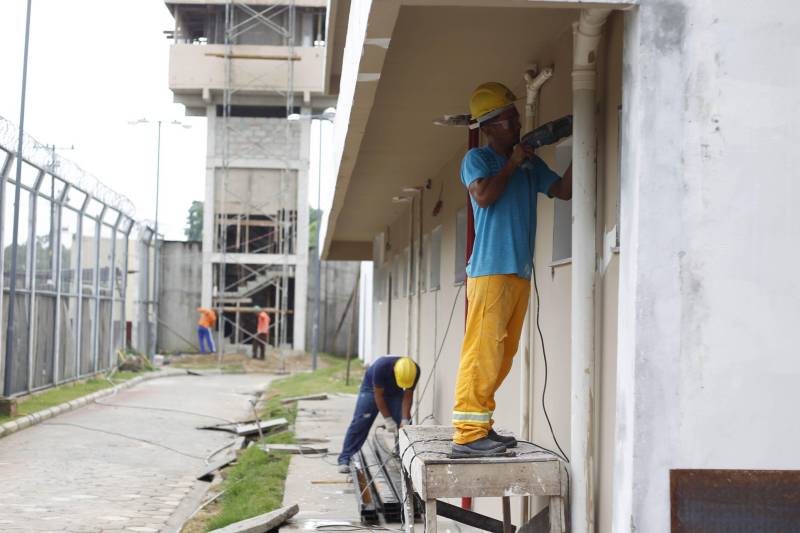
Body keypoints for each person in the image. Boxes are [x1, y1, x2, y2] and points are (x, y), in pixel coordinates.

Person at [451, 82, 572, 457]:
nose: (517, 124)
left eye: (516, 117)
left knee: (503, 355)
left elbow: (563, 190)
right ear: (489, 127)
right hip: (490, 270)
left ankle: (482, 423)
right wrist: (514, 163)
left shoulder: (529, 164)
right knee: (482, 351)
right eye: (508, 120)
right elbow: (485, 196)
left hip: (518, 272)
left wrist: (584, 145)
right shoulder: (477, 160)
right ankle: (467, 435)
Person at [337, 355, 420, 473]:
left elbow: (408, 395)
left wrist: (405, 419)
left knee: (406, 426)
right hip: (371, 389)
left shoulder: (414, 371)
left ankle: (403, 457)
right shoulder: (381, 366)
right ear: (394, 371)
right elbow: (378, 396)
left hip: (396, 391)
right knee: (360, 422)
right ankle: (345, 458)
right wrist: (388, 419)